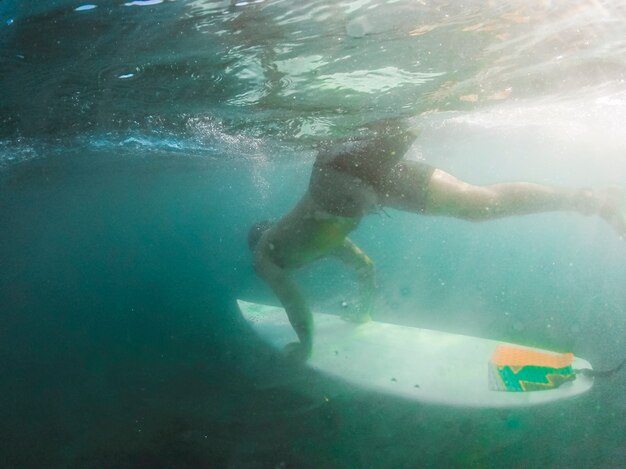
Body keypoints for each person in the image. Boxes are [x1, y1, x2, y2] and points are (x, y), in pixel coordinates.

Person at [248, 119, 625, 362]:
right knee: (478, 205)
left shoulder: (265, 253)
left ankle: (411, 109)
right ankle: (591, 200)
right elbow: (366, 268)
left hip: (336, 179)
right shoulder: (325, 244)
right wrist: (363, 312)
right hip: (360, 190)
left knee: (401, 122)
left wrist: (306, 347)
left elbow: (292, 300)